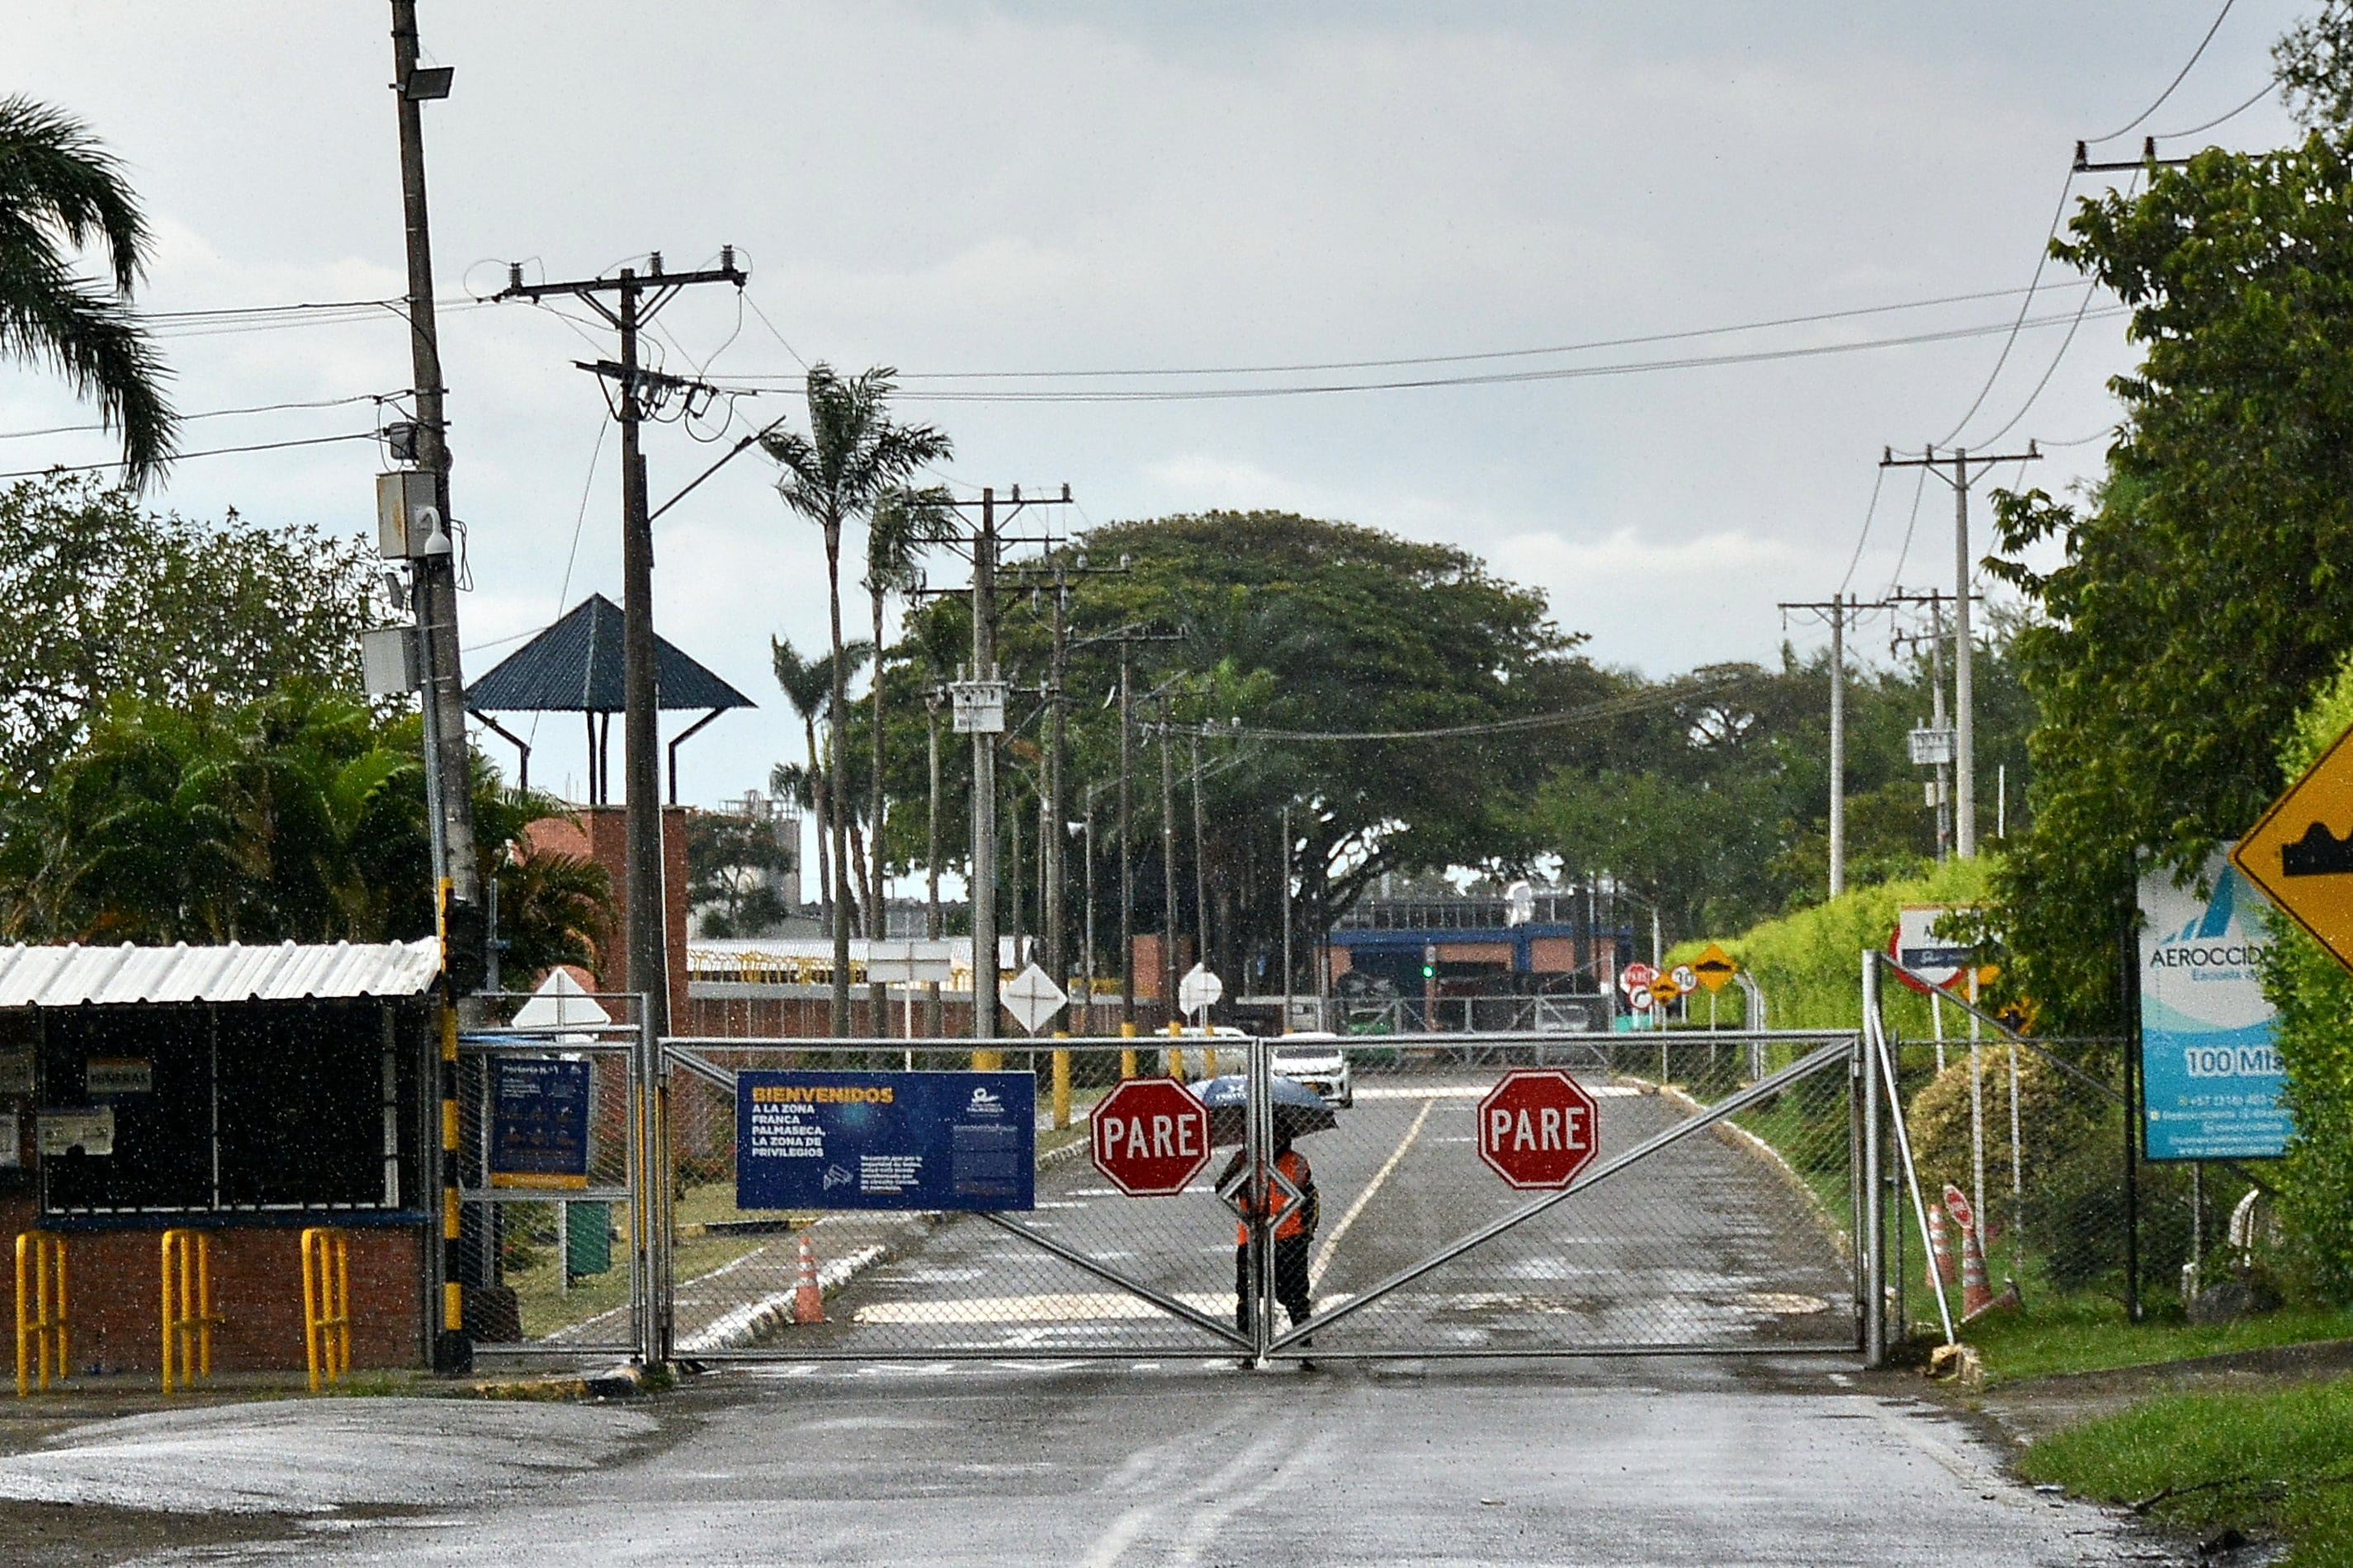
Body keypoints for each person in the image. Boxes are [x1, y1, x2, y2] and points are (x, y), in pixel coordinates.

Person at [1221, 1131, 1318, 1340]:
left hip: (1289, 1238)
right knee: (1247, 1294)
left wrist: (1306, 1234)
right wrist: (1244, 1175)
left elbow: (1310, 1199)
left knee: (1295, 1295)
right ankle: (1246, 1346)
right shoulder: (1243, 1160)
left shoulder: (1297, 1163)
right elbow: (1222, 1188)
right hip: (1252, 1237)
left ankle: (1305, 1346)